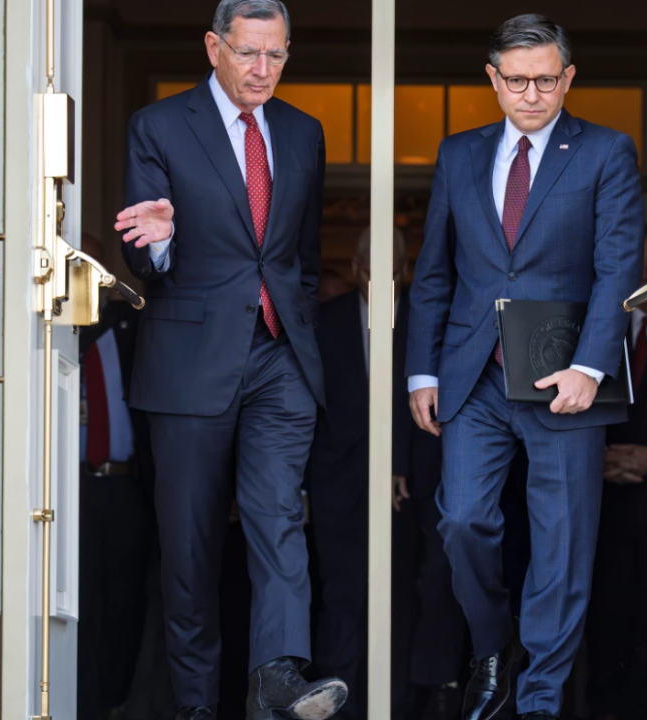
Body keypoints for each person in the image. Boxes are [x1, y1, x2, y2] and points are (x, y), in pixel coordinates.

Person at [406, 14, 644, 720]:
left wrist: (591, 366)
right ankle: (493, 645)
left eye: (546, 79)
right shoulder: (459, 155)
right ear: (493, 79)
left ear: (568, 78)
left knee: (563, 543)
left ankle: (539, 697)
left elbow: (617, 269)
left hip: (565, 377)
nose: (531, 93)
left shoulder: (605, 152)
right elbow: (433, 273)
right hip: (474, 374)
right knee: (462, 523)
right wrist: (423, 372)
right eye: (517, 80)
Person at [112, 1, 346, 719]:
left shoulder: (304, 133)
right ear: (214, 46)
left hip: (280, 357)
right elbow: (145, 250)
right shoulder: (158, 125)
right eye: (249, 53)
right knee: (190, 552)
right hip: (189, 361)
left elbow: (301, 255)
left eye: (276, 55)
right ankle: (193, 707)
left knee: (279, 520)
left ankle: (277, 680)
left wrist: (295, 317)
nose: (263, 70)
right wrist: (153, 241)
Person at [307, 227, 466, 720]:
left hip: (407, 486)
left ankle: (394, 708)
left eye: (394, 271)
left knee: (401, 601)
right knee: (341, 597)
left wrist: (399, 466)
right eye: (374, 270)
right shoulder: (323, 321)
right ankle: (340, 708)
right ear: (355, 268)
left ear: (406, 271)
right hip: (337, 486)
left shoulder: (423, 317)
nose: (384, 281)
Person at [584, 227, 647, 720]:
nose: (645, 277)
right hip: (605, 509)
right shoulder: (597, 334)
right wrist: (593, 458)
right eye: (637, 267)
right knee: (606, 623)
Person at [76, 233, 157, 720]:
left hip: (128, 484)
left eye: (92, 257)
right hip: (74, 487)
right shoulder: (49, 326)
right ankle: (79, 703)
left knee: (128, 600)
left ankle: (114, 702)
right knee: (80, 600)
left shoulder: (129, 324)